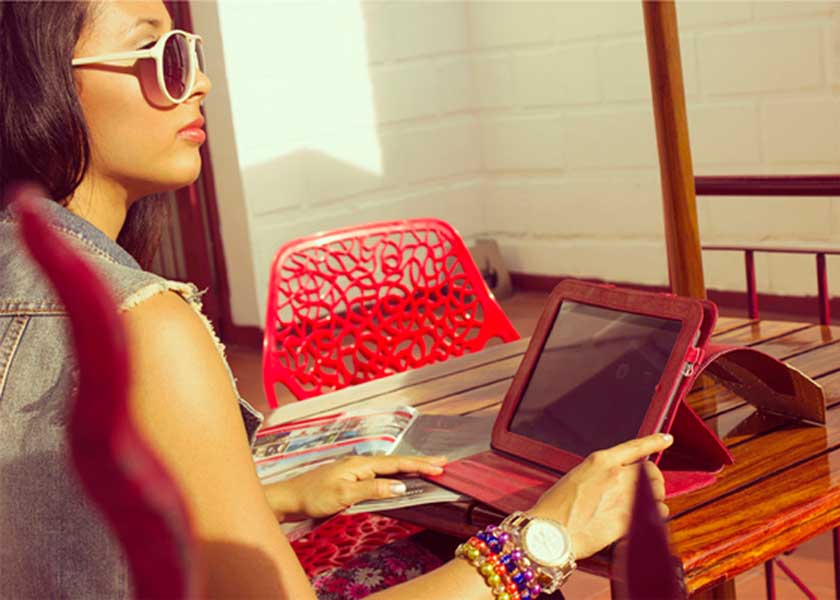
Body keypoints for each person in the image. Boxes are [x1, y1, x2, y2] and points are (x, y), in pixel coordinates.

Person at [0, 2, 672, 598]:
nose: (198, 83)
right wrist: (546, 539)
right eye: (159, 52)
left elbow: (47, 528)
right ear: (38, 84)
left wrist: (269, 500)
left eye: (192, 53)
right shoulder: (144, 326)